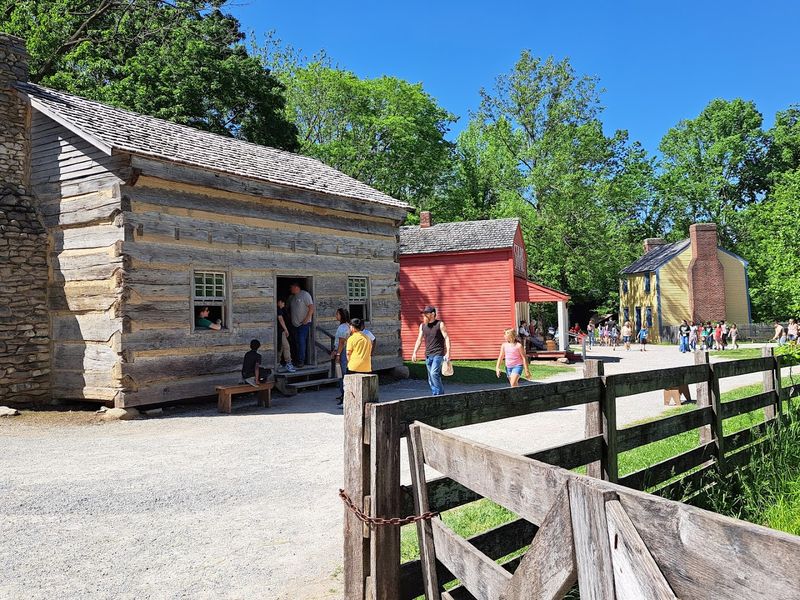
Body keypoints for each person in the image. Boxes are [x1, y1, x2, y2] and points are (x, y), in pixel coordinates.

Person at [411, 306, 451, 396]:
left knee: (433, 374)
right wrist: (414, 352)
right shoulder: (422, 326)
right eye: (424, 314)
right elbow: (419, 339)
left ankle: (439, 395)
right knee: (430, 378)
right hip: (428, 355)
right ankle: (435, 394)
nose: (424, 315)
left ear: (433, 314)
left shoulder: (440, 324)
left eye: (426, 314)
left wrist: (448, 352)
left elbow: (447, 337)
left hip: (438, 353)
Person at [289, 282, 314, 368]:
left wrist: (307, 319)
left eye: (291, 287)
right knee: (296, 343)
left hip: (303, 324)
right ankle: (297, 360)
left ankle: (301, 361)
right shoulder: (292, 297)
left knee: (301, 342)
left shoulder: (305, 295)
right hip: (295, 325)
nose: (290, 289)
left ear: (296, 287)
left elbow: (311, 307)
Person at [332, 308, 350, 403]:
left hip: (342, 352)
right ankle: (342, 393)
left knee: (342, 373)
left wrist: (338, 354)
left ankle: (344, 395)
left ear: (341, 315)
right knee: (341, 373)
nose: (336, 316)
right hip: (341, 351)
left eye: (337, 314)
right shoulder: (346, 326)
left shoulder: (343, 327)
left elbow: (342, 342)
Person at [276, 299, 296, 373]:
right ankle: (288, 363)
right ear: (279, 302)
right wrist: (286, 329)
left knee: (280, 347)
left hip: (279, 331)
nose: (284, 304)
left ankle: (277, 363)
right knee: (286, 346)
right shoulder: (278, 310)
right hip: (281, 331)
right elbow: (280, 319)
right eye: (283, 302)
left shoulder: (280, 310)